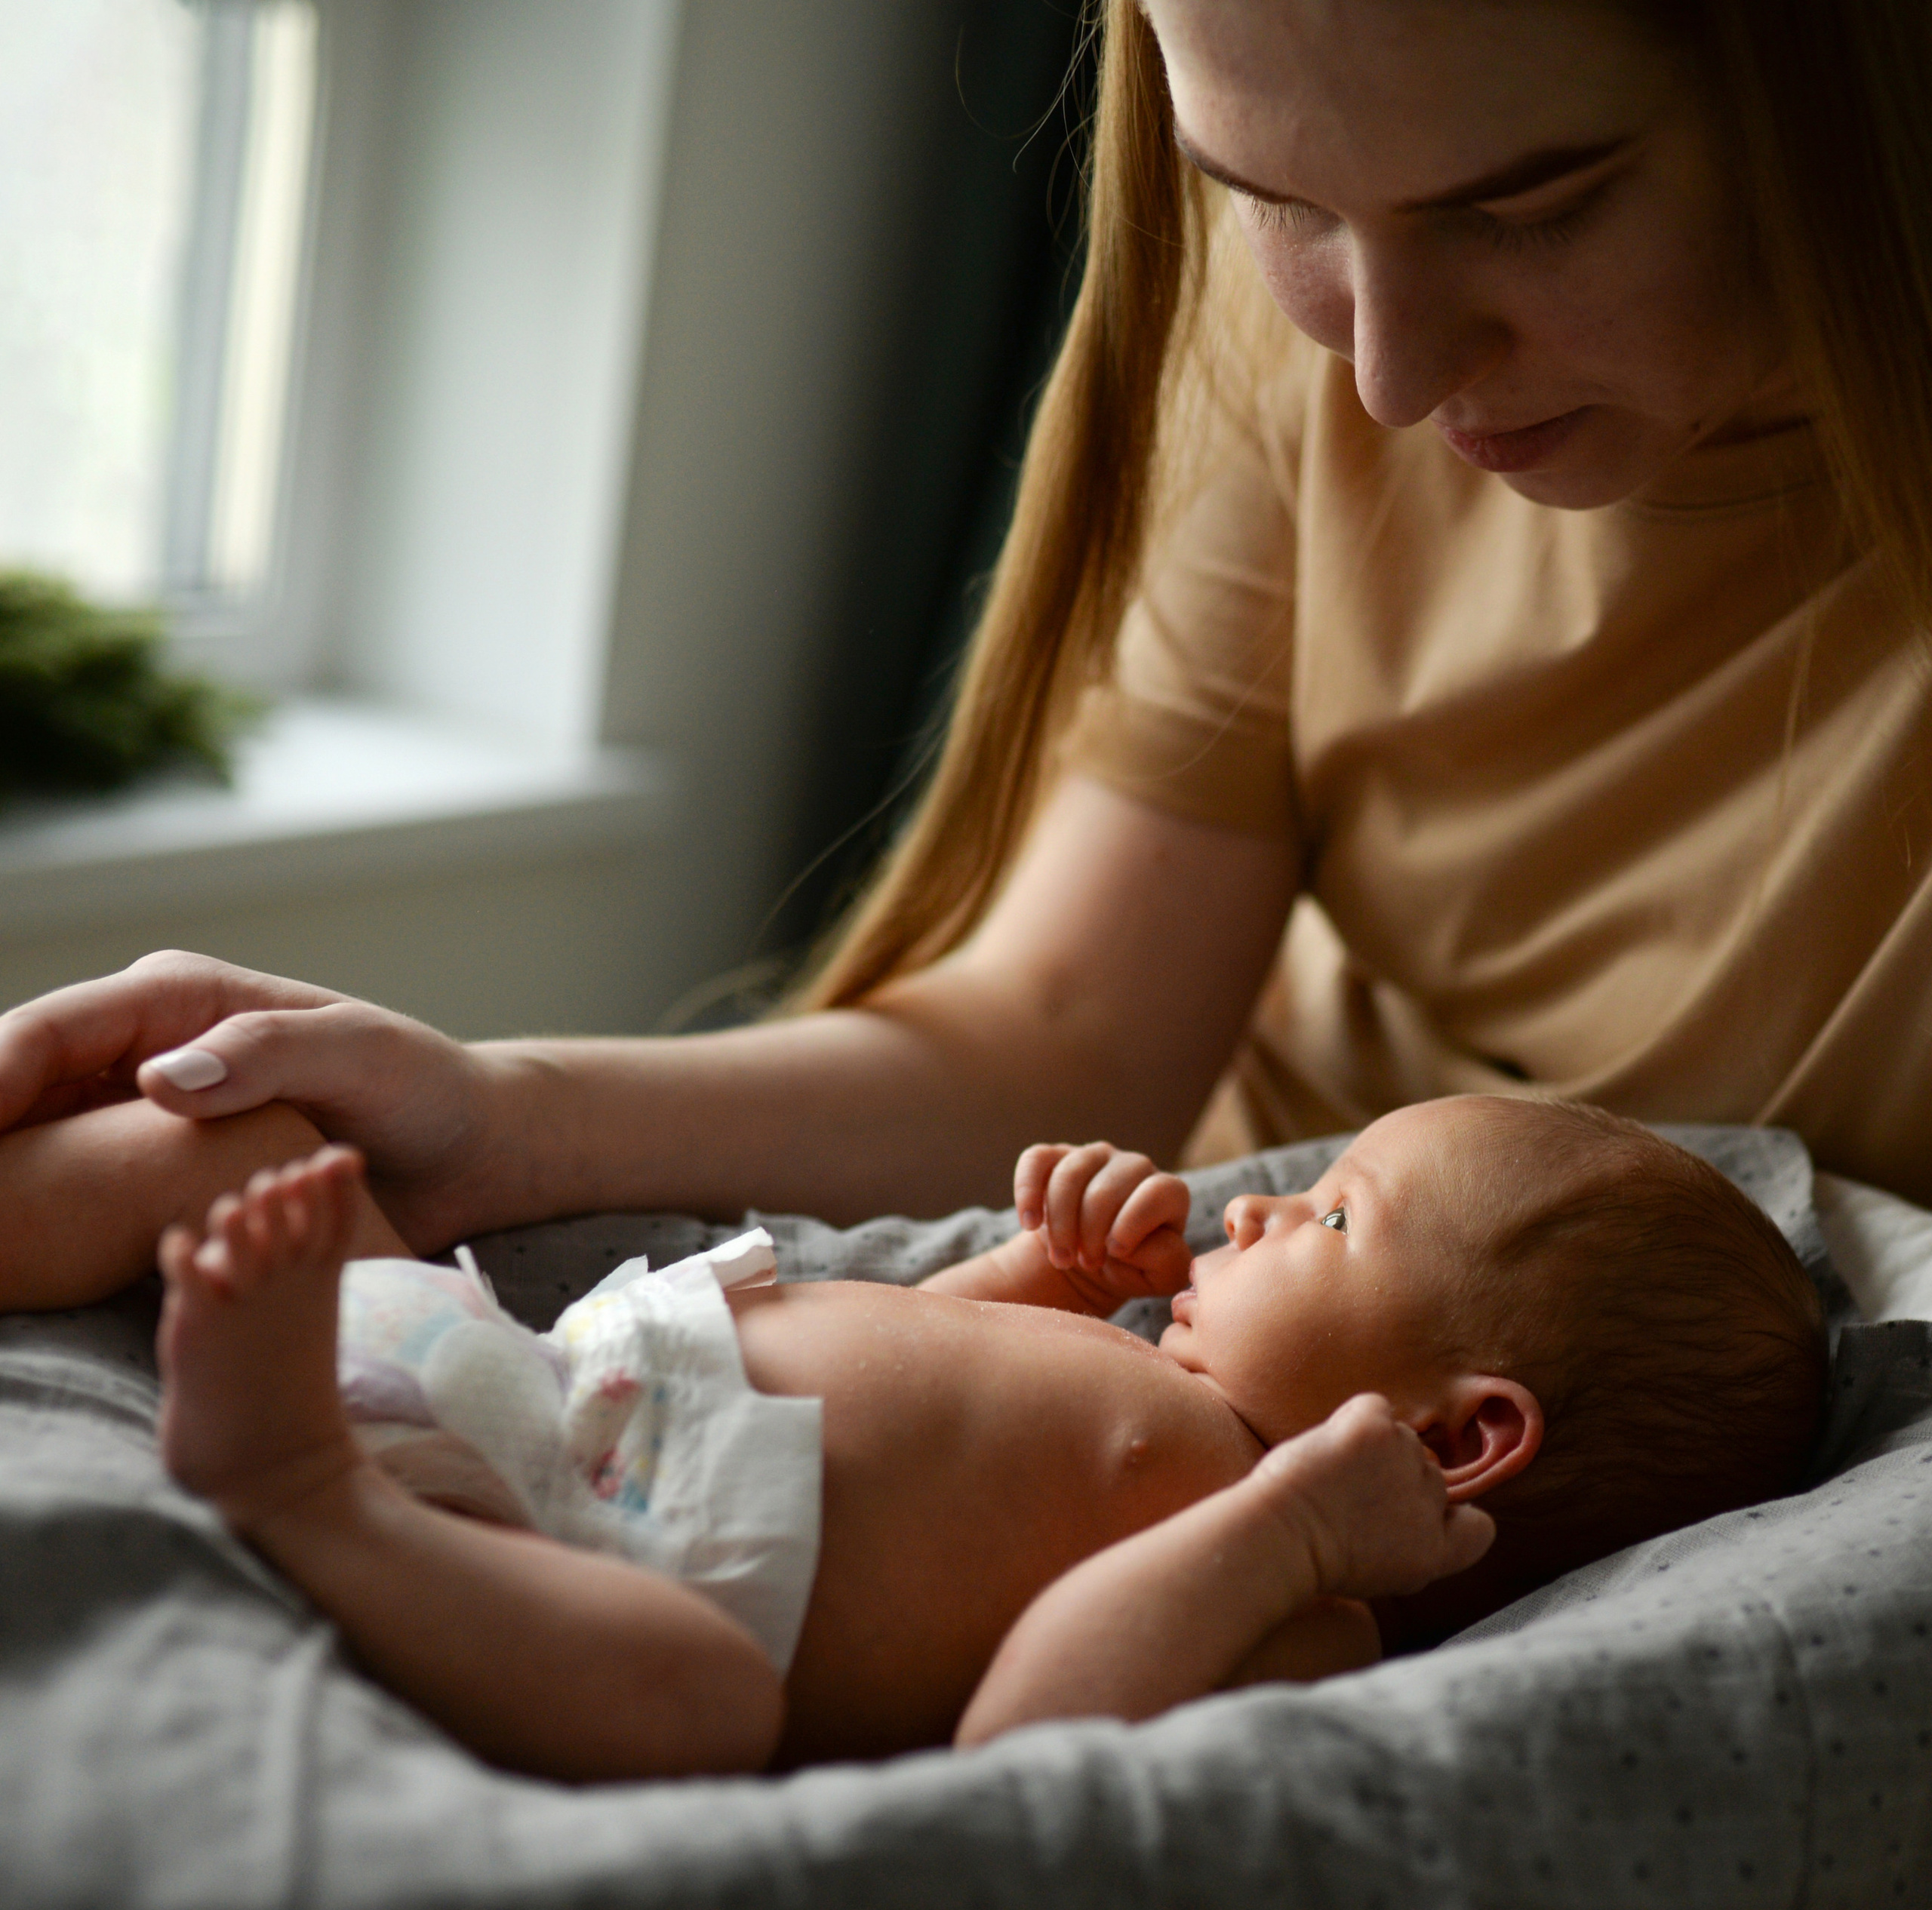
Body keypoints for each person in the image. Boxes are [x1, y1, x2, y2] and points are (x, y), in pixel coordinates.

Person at [2, 0, 1928, 1247]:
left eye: (1534, 211)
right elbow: (1065, 1037)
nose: (1388, 378)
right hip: (1191, 1272)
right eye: (1269, 199)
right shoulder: (1284, 348)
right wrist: (495, 1109)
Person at [4, 1088, 1824, 1781]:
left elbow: (1028, 1734)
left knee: (687, 1706)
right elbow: (888, 1353)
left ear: (1458, 1439)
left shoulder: (1294, 1595)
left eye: (1334, 1217)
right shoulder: (1143, 1381)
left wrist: (1279, 1530)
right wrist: (1035, 1262)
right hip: (511, 1369)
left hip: (548, 1567)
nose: (1258, 1210)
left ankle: (296, 1493)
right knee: (237, 1145)